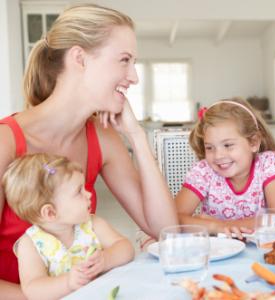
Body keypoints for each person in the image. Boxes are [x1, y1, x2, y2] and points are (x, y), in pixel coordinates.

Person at [0, 4, 177, 298]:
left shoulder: (103, 138)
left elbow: (166, 230)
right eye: (124, 60)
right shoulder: (5, 142)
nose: (134, 77)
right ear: (80, 58)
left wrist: (137, 136)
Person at [2, 153, 134, 300]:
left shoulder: (92, 225)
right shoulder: (30, 244)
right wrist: (68, 283)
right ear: (50, 212)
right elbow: (32, 290)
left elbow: (126, 248)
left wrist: (106, 259)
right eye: (79, 191)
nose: (89, 194)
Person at [175, 98, 275, 237]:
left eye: (228, 145)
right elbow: (174, 219)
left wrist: (221, 226)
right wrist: (218, 226)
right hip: (217, 253)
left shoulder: (267, 164)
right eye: (209, 147)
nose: (218, 155)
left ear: (254, 142)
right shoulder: (204, 172)